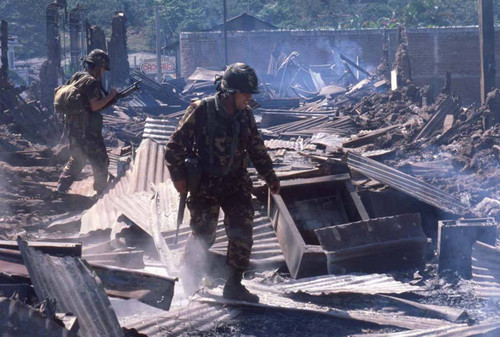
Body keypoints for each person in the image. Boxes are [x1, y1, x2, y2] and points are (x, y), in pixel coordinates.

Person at [165, 63, 280, 303]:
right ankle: (188, 278)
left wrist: (270, 176)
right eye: (245, 93)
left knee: (243, 231)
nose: (249, 98)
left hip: (235, 183)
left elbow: (256, 147)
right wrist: (179, 179)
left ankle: (234, 284)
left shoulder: (245, 115)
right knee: (203, 236)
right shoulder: (201, 110)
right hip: (205, 185)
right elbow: (173, 147)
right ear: (229, 92)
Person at [56, 49, 118, 195]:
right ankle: (100, 193)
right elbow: (94, 105)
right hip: (88, 132)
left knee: (77, 160)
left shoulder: (77, 77)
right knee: (101, 161)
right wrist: (112, 96)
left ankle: (61, 188)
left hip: (74, 129)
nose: (103, 72)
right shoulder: (91, 82)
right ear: (98, 67)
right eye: (102, 69)